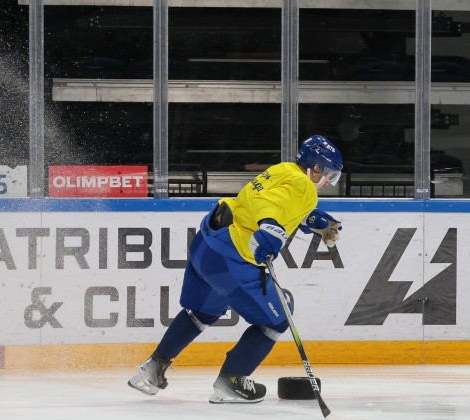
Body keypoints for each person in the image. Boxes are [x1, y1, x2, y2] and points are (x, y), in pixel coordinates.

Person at [128, 134, 344, 403]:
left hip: (207, 247)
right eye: (329, 175)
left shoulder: (283, 169)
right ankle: (232, 380)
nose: (327, 182)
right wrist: (269, 225)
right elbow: (269, 205)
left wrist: (318, 223)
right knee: (277, 318)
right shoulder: (305, 186)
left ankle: (154, 367)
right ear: (317, 168)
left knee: (201, 312)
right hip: (233, 258)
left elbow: (276, 201)